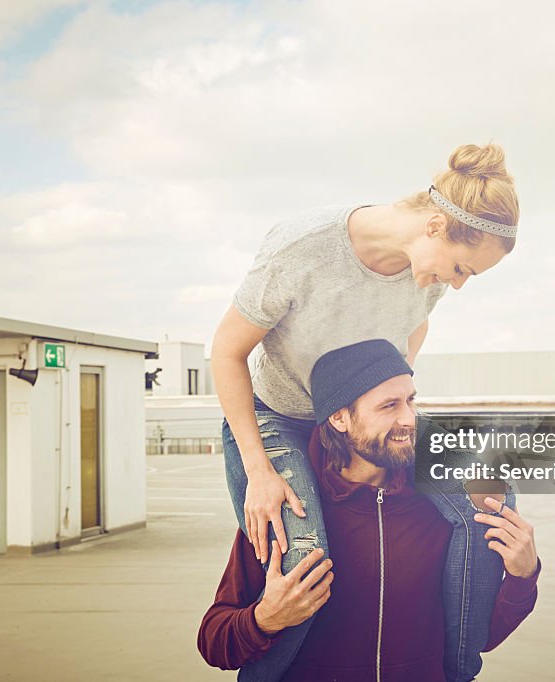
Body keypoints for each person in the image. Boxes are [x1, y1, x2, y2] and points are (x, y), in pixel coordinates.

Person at [212, 143, 520, 680]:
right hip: (279, 416)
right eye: (461, 267)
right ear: (433, 228)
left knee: (492, 491)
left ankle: (457, 662)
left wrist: (388, 403)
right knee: (302, 553)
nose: (458, 283)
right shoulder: (303, 249)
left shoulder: (425, 277)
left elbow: (412, 328)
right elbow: (227, 351)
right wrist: (258, 469)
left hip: (358, 418)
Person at [199, 340, 540, 681]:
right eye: (389, 406)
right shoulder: (285, 510)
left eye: (410, 401)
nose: (409, 419)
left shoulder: (442, 513)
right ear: (339, 417)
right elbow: (213, 642)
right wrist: (264, 619)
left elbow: (480, 638)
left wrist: (523, 577)